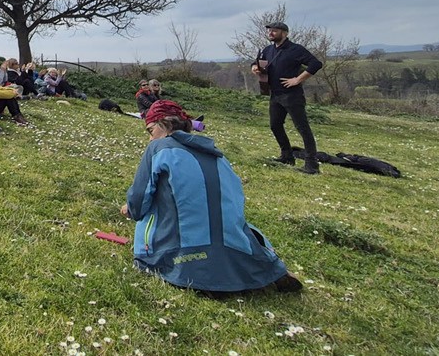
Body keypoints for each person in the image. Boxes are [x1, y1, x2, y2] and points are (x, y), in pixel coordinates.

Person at [122, 100, 303, 295]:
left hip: (182, 258)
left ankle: (170, 258)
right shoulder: (219, 156)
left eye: (151, 131)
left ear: (165, 124)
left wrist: (130, 209)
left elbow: (139, 201)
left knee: (154, 211)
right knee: (241, 227)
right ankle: (270, 267)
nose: (150, 139)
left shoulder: (158, 148)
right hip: (233, 250)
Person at [251, 22, 324, 174]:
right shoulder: (268, 49)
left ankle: (312, 165)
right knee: (275, 125)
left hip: (292, 95)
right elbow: (258, 62)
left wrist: (298, 79)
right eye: (270, 31)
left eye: (274, 31)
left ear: (284, 33)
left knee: (303, 128)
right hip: (275, 94)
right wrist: (254, 67)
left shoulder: (296, 49)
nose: (270, 33)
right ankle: (287, 156)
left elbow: (316, 64)